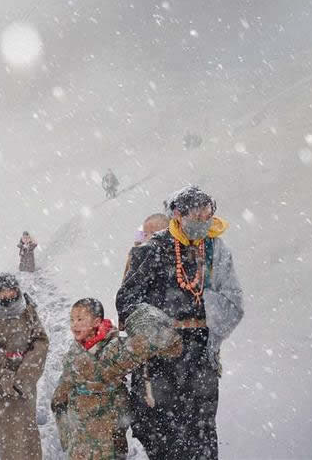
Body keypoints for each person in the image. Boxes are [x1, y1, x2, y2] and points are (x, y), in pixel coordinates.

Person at [116, 186, 244, 460]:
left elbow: (234, 301)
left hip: (201, 358)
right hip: (159, 358)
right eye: (196, 214)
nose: (203, 220)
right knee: (161, 436)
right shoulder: (152, 249)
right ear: (178, 214)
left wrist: (206, 321)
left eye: (208, 213)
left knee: (202, 436)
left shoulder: (216, 250)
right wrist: (159, 332)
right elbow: (127, 301)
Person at [0, 273, 49, 460]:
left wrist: (24, 374)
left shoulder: (28, 312)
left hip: (25, 385)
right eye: (2, 292)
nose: (7, 295)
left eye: (10, 290)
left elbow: (41, 342)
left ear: (16, 290)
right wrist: (5, 371)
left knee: (27, 432)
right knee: (7, 436)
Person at [51, 298, 130, 459]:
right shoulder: (76, 349)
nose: (74, 324)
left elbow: (108, 376)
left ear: (96, 321)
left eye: (80, 319)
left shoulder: (113, 346)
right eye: (72, 319)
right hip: (79, 431)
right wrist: (59, 401)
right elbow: (67, 378)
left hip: (106, 428)